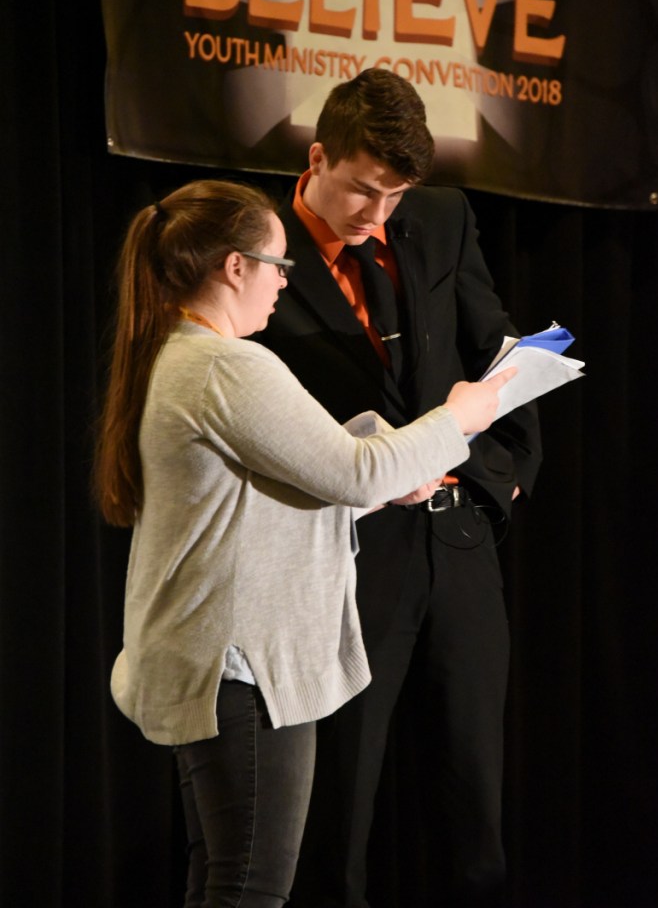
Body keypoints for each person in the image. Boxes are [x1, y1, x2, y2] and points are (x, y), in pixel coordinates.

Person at [92, 178, 516, 908]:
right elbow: (353, 471)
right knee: (250, 887)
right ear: (235, 267)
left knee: (224, 877)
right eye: (278, 267)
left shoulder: (185, 358)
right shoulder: (225, 366)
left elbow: (261, 503)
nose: (283, 286)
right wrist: (463, 414)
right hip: (243, 673)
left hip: (217, 666)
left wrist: (382, 484)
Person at [257, 69, 543, 908]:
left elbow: (499, 346)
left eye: (396, 195)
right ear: (317, 158)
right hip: (347, 556)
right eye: (362, 191)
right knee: (339, 798)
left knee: (473, 794)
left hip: (458, 541)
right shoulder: (258, 247)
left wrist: (508, 479)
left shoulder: (442, 218)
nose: (377, 215)